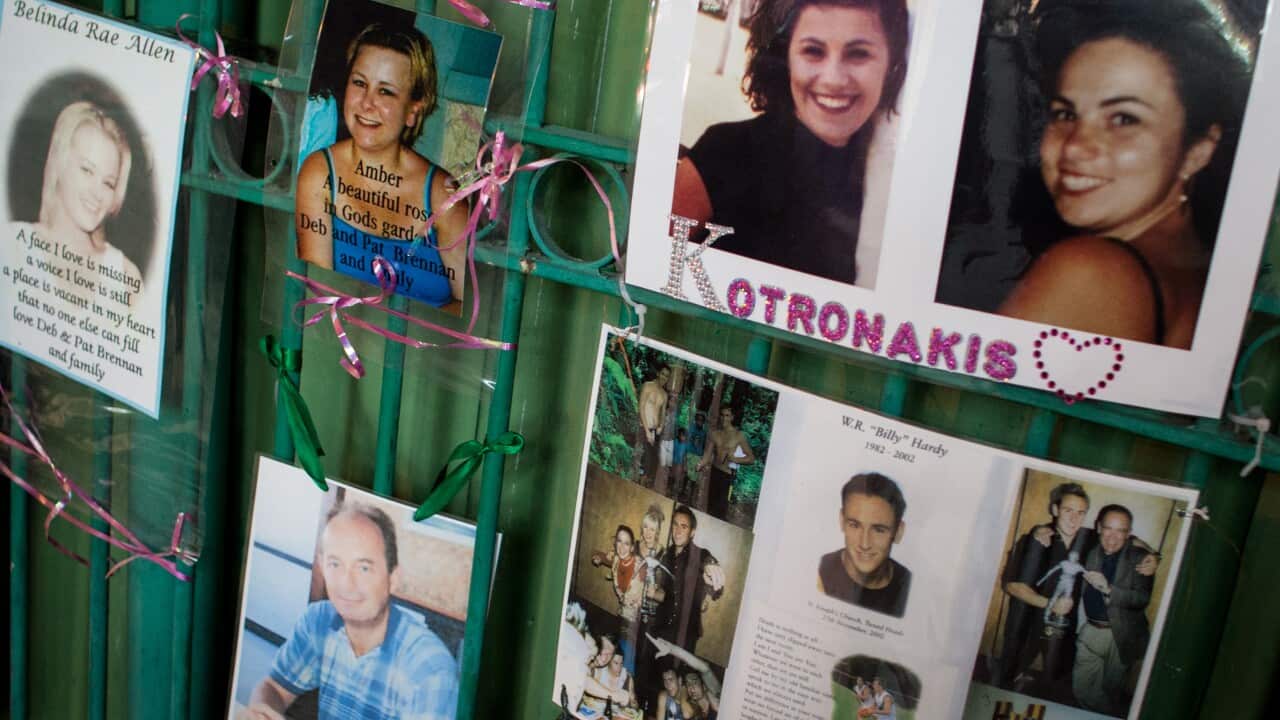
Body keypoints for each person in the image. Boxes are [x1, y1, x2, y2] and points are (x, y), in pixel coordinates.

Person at [997, 0, 1250, 348]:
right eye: (1065, 114)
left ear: (1198, 151)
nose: (1074, 147)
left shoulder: (1091, 273)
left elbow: (959, 400)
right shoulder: (1195, 272)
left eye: (1124, 119)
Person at [671, 0, 910, 285]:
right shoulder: (726, 152)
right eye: (813, 51)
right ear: (784, 57)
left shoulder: (896, 188)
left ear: (891, 64)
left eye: (858, 54)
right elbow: (645, 263)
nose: (833, 79)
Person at [296, 23, 468, 309]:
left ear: (414, 110)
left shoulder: (443, 195)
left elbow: (469, 308)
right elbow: (315, 293)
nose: (366, 103)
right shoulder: (319, 173)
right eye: (360, 83)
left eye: (386, 92)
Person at [247, 503, 457, 720]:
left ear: (393, 579)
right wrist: (262, 712)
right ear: (322, 567)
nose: (346, 584)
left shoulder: (430, 669)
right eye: (335, 564)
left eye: (364, 568)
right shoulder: (318, 620)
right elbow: (274, 687)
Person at [30, 101, 144, 298]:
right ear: (59, 163)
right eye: (87, 170)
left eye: (108, 183)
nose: (97, 193)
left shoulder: (126, 276)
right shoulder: (12, 243)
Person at [1071, 504, 1153, 715]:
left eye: (1121, 531)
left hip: (1122, 635)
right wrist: (1039, 530)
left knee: (1111, 689)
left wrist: (1108, 589)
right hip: (1091, 630)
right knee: (1081, 689)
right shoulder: (1088, 548)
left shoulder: (1141, 558)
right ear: (1098, 527)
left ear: (1129, 534)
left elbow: (1142, 598)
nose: (1113, 537)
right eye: (1108, 528)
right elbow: (1062, 526)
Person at [817, 473, 912, 618]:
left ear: (898, 532)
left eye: (879, 530)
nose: (865, 543)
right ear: (842, 521)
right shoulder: (819, 572)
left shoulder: (910, 587)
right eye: (855, 525)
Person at [589, 525, 646, 670]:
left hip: (640, 622)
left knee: (627, 661)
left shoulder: (641, 567)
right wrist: (598, 557)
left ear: (632, 547)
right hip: (623, 615)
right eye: (619, 541)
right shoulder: (616, 560)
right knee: (613, 654)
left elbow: (656, 590)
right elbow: (602, 556)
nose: (622, 547)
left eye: (626, 543)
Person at [697, 407, 756, 519]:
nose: (724, 418)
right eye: (722, 415)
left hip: (728, 476)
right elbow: (707, 454)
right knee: (710, 506)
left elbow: (751, 458)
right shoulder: (715, 434)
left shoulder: (739, 436)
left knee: (721, 509)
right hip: (715, 472)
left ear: (732, 417)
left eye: (727, 415)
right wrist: (700, 464)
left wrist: (735, 459)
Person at [638, 366, 672, 480]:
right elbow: (641, 407)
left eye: (667, 376)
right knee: (642, 459)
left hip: (654, 431)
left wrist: (661, 426)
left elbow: (662, 413)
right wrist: (647, 431)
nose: (664, 377)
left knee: (651, 463)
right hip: (644, 428)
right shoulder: (648, 386)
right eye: (663, 373)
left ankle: (642, 483)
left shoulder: (664, 395)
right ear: (658, 373)